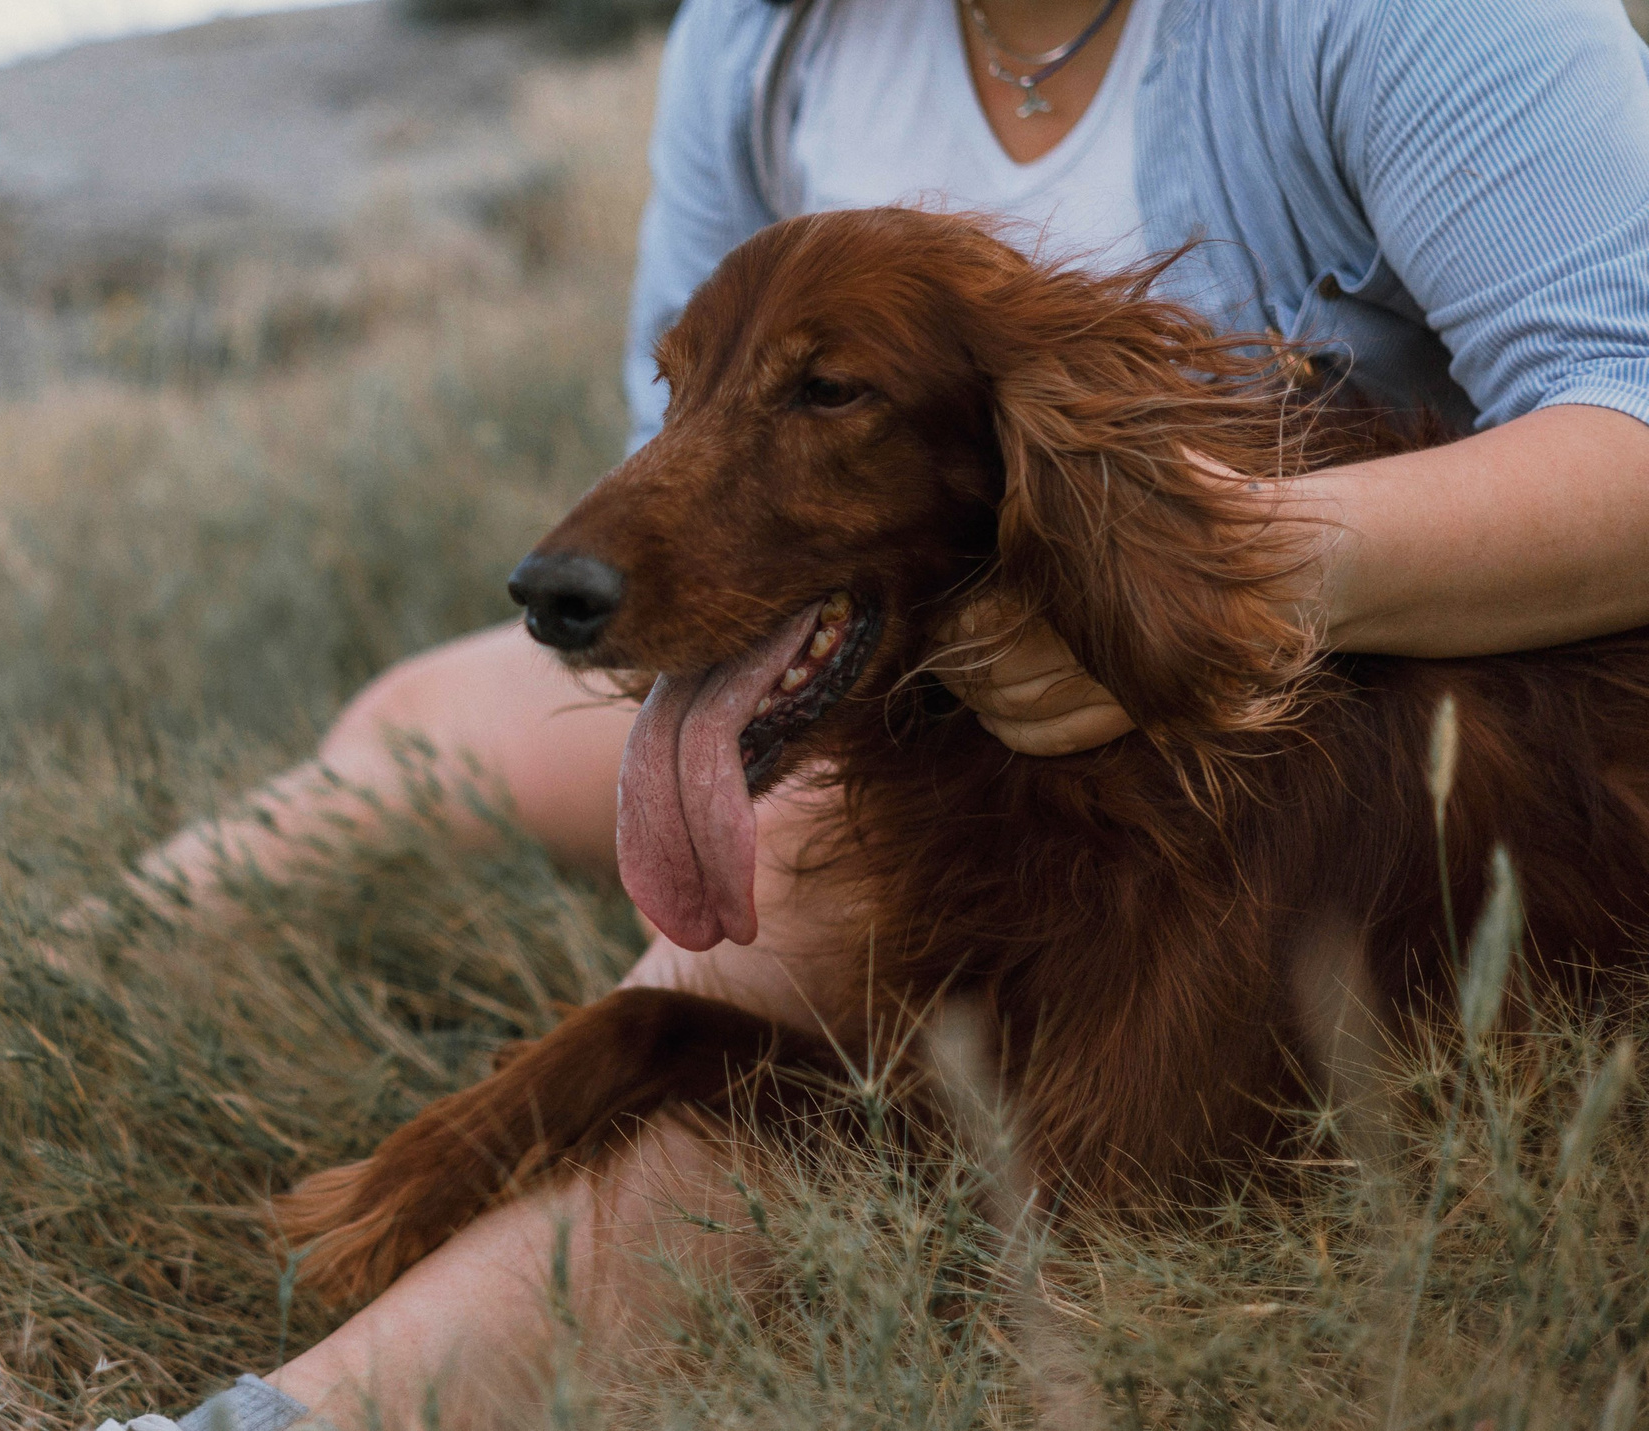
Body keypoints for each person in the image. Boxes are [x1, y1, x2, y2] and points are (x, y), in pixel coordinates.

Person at [96, 0, 1649, 1425]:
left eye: (827, 387)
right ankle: (67, 978)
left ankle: (308, 1417)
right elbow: (686, 447)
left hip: (1294, 678)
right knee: (419, 715)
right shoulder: (762, 38)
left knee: (774, 906)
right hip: (887, 661)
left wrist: (1212, 576)